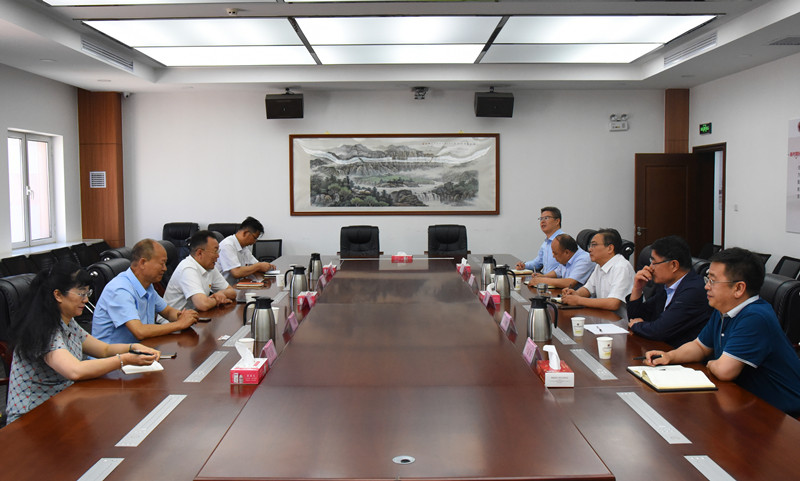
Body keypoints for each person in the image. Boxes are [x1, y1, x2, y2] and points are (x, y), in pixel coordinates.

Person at [645, 248, 800, 416]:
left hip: (784, 415)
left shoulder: (755, 317)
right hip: (747, 402)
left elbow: (725, 371)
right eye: (707, 279)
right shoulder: (724, 310)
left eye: (713, 281)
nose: (706, 286)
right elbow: (700, 347)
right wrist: (669, 356)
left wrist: (711, 363)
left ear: (739, 288)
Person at [5, 262, 160, 424]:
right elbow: (75, 371)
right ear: (58, 295)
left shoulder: (67, 321)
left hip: (60, 405)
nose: (86, 300)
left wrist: (133, 347)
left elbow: (104, 349)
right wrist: (124, 360)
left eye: (87, 293)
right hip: (30, 418)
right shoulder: (42, 328)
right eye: (81, 293)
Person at [92, 239, 198, 344]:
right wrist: (179, 324)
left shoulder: (147, 285)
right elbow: (139, 331)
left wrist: (182, 316)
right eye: (162, 263)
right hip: (115, 354)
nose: (165, 268)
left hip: (141, 348)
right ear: (143, 262)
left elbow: (167, 311)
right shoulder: (120, 290)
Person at [626, 236, 712, 347]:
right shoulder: (666, 286)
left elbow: (659, 331)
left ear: (674, 265)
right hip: (661, 348)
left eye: (654, 262)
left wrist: (637, 325)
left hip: (682, 354)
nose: (650, 267)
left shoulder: (694, 291)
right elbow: (636, 317)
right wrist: (637, 289)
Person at [561, 228, 635, 313]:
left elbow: (613, 303)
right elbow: (588, 289)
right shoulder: (600, 265)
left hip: (620, 319)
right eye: (590, 245)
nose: (589, 249)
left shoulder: (622, 267)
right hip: (604, 316)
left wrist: (578, 300)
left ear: (610, 248)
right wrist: (575, 294)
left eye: (594, 245)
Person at [164, 230, 236, 312]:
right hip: (174, 318)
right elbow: (203, 304)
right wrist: (217, 300)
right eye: (215, 251)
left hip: (195, 315)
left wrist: (222, 293)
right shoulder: (188, 269)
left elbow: (232, 292)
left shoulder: (209, 267)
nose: (218, 255)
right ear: (199, 253)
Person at [216, 216, 276, 286]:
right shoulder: (227, 245)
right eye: (254, 238)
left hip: (238, 285)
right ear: (245, 233)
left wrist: (266, 266)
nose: (254, 242)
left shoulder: (243, 247)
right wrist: (259, 266)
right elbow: (236, 273)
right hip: (223, 289)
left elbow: (254, 265)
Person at [527, 233, 594, 289]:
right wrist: (543, 276)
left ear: (567, 252)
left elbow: (569, 283)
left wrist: (542, 280)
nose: (553, 256)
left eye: (555, 253)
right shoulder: (567, 257)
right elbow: (557, 272)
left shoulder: (585, 260)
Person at [515, 206, 563, 274]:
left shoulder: (564, 241)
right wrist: (524, 265)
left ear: (557, 221)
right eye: (541, 219)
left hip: (556, 279)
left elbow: (564, 269)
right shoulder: (546, 242)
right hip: (544, 278)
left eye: (546, 218)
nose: (542, 221)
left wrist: (545, 277)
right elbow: (538, 263)